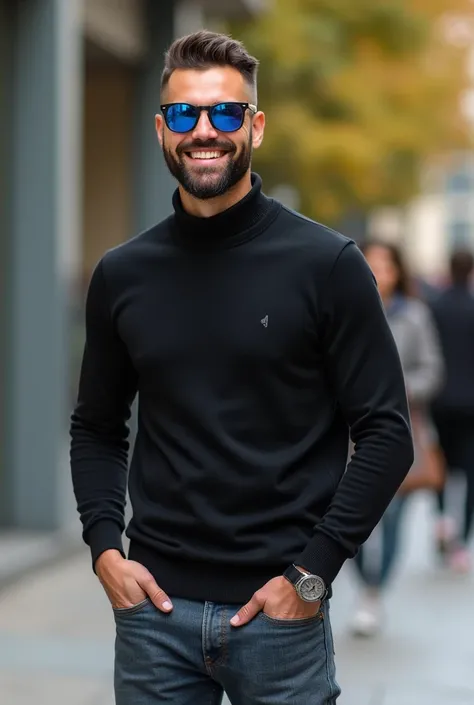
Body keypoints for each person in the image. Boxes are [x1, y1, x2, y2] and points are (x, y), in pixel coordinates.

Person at [70, 30, 413, 705]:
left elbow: (387, 434)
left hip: (281, 620)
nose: (206, 131)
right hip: (154, 618)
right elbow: (97, 426)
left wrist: (311, 576)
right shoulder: (122, 274)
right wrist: (106, 549)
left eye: (225, 113)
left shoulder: (328, 266)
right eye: (186, 114)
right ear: (160, 129)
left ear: (255, 126)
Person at [350, 241, 444, 637]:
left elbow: (432, 370)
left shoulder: (415, 315)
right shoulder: (347, 311)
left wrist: (398, 389)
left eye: (384, 266)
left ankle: (373, 592)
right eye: (369, 265)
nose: (378, 273)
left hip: (401, 431)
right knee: (349, 520)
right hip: (350, 434)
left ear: (397, 271)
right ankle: (365, 584)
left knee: (390, 520)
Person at [431, 249, 474, 573]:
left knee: (440, 465)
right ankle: (462, 538)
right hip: (470, 404)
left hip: (439, 399)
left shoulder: (434, 306)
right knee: (470, 473)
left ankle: (443, 519)